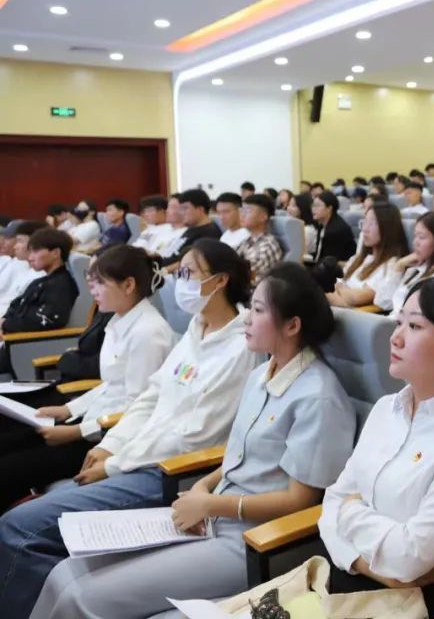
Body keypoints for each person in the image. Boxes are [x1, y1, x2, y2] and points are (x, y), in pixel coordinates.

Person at [31, 263, 356, 618]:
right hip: (214, 515)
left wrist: (212, 504)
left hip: (253, 539)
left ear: (292, 326)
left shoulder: (318, 397)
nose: (247, 319)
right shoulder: (262, 374)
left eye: (259, 310)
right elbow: (238, 455)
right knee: (64, 572)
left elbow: (300, 500)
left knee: (88, 596)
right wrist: (202, 487)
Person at [0, 240, 258, 618]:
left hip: (170, 471)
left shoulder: (240, 348)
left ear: (220, 281)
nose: (179, 281)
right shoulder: (196, 330)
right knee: (23, 519)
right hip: (134, 454)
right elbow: (151, 396)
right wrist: (112, 446)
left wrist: (114, 463)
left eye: (189, 273)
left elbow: (192, 437)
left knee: (19, 528)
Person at [319, 276, 434, 616]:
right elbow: (330, 504)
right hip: (345, 579)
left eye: (415, 326)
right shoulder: (386, 409)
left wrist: (349, 511)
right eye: (399, 322)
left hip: (412, 605)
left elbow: (409, 557)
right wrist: (370, 566)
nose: (396, 337)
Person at [0, 246, 174, 510]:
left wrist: (76, 431)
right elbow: (110, 386)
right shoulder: (119, 321)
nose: (93, 291)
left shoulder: (148, 333)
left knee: (9, 468)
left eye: (100, 284)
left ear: (128, 285)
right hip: (92, 421)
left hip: (108, 438)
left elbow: (138, 407)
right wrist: (68, 409)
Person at [0, 229, 79, 375]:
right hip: (13, 344)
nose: (30, 257)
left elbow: (47, 320)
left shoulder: (60, 284)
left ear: (55, 253)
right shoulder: (42, 281)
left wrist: (5, 324)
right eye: (30, 252)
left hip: (26, 348)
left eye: (35, 251)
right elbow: (16, 306)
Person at [329, 202, 409, 311]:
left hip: (353, 315)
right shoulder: (359, 258)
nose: (365, 229)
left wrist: (339, 288)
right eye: (364, 222)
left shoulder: (391, 265)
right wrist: (344, 293)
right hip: (337, 309)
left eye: (372, 223)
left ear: (387, 228)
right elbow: (335, 282)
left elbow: (357, 298)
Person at [160, 189, 223, 269]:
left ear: (200, 209)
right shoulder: (191, 229)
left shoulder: (210, 233)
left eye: (185, 208)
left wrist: (163, 271)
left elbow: (194, 262)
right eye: (180, 209)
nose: (181, 213)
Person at [235, 194, 284, 284]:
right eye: (242, 211)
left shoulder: (266, 247)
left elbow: (243, 277)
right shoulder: (248, 240)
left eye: (248, 211)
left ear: (263, 217)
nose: (242, 215)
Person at [0, 221, 46, 316]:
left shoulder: (39, 277)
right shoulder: (26, 269)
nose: (15, 246)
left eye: (20, 241)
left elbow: (19, 313)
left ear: (34, 244)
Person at [312, 191, 357, 264]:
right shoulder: (322, 224)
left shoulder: (336, 230)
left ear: (329, 208)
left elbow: (329, 262)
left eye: (317, 206)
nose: (313, 209)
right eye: (313, 205)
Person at [287, 193, 317, 259]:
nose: (288, 208)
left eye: (294, 206)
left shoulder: (307, 230)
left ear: (303, 208)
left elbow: (299, 253)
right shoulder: (294, 226)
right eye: (289, 204)